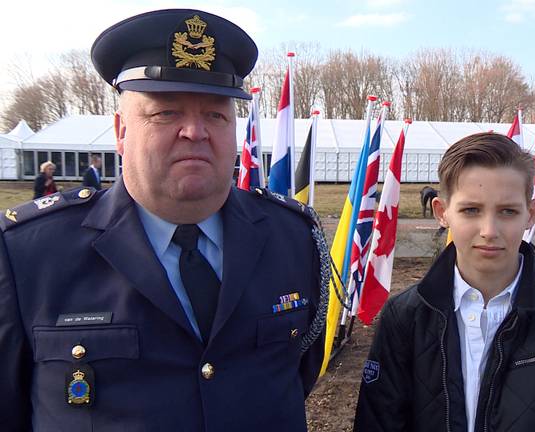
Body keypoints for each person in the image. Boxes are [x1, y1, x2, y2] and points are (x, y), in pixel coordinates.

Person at [0, 9, 327, 431]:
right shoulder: (29, 252)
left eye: (216, 115)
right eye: (165, 113)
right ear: (120, 131)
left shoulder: (294, 238)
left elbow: (296, 376)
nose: (195, 131)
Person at [354, 132, 535, 431]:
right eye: (471, 210)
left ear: (530, 215)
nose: (489, 230)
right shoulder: (403, 319)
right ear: (443, 213)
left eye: (507, 211)